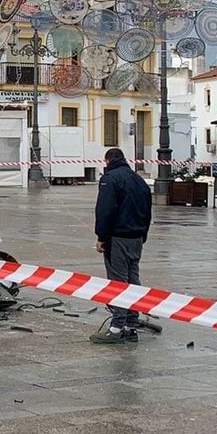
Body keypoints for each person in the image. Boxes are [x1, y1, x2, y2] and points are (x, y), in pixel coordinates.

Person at [92, 146, 154, 344]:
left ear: (107, 161)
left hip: (118, 238)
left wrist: (102, 237)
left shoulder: (110, 179)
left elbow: (105, 210)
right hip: (136, 238)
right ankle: (131, 325)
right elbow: (148, 210)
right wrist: (142, 235)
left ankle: (117, 327)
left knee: (117, 282)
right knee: (133, 279)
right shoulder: (139, 180)